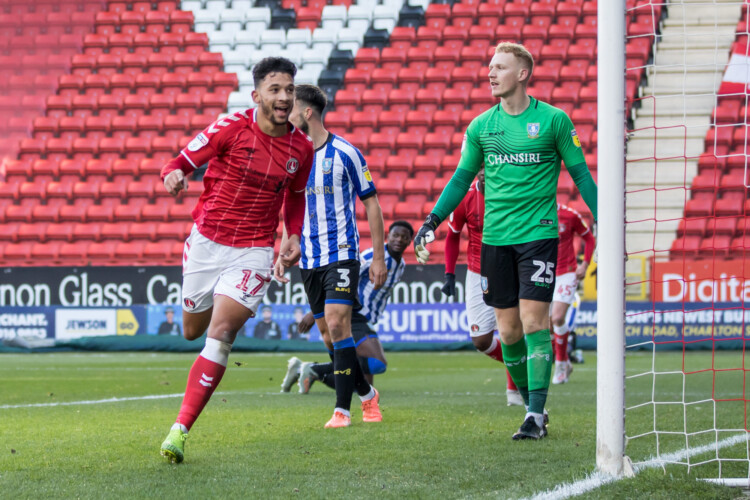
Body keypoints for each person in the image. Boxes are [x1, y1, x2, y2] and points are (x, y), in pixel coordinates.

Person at [413, 42, 597, 440]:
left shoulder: (554, 121)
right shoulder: (481, 126)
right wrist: (432, 220)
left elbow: (582, 175)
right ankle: (533, 407)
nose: (491, 73)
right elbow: (461, 179)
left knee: (534, 323)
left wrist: (606, 220)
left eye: (500, 67)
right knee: (509, 333)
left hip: (538, 237)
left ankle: (534, 414)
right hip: (495, 242)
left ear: (523, 74)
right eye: (490, 67)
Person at [158, 57, 314, 463]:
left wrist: (292, 234)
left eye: (289, 90)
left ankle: (179, 430)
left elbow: (295, 197)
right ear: (257, 95)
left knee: (223, 331)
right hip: (207, 241)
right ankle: (213, 305)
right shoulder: (230, 127)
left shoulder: (301, 148)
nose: (284, 97)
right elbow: (179, 162)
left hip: (254, 250)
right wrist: (172, 174)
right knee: (192, 330)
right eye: (275, 89)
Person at [275, 84, 387, 429]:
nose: (286, 113)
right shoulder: (292, 158)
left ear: (307, 112)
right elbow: (291, 208)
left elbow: (371, 203)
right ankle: (367, 394)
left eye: (292, 108)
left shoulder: (345, 153)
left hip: (342, 254)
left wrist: (378, 257)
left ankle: (343, 410)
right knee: (328, 336)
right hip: (309, 260)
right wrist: (284, 247)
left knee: (339, 325)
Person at [282, 221, 414, 394]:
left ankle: (305, 371)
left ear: (410, 241)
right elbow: (341, 279)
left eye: (404, 237)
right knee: (377, 363)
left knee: (360, 385)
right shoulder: (372, 257)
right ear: (388, 236)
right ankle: (313, 369)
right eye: (395, 235)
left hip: (366, 318)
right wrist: (314, 312)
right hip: (354, 314)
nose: (399, 240)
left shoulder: (400, 264)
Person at [441, 168, 523, 407]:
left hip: (511, 268)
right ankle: (522, 362)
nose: (484, 171)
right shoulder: (465, 197)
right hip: (478, 271)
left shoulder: (512, 192)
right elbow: (453, 236)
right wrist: (449, 274)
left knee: (510, 331)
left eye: (488, 164)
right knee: (481, 340)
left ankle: (515, 390)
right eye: (480, 166)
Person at [551, 204, 595, 384]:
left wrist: (585, 265)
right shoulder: (534, 210)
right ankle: (566, 362)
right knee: (546, 326)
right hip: (543, 272)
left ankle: (560, 365)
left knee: (557, 317)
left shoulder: (569, 215)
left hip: (567, 273)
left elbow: (589, 239)